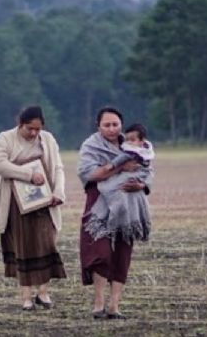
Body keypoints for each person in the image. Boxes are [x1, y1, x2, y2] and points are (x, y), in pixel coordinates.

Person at [0, 106, 67, 310]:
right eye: (29, 128)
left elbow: (58, 167)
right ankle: (25, 297)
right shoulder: (5, 138)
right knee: (23, 247)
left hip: (45, 202)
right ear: (20, 123)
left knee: (47, 244)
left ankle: (43, 292)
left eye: (37, 129)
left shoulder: (48, 139)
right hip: (17, 204)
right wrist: (28, 175)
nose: (33, 133)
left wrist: (59, 191)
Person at [78, 107, 152, 320]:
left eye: (115, 124)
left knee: (123, 250)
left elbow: (148, 169)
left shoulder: (132, 142)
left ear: (121, 124)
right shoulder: (90, 145)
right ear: (98, 126)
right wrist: (119, 168)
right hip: (99, 201)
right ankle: (98, 303)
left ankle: (114, 306)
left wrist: (141, 184)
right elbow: (89, 173)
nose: (112, 129)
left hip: (128, 203)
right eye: (107, 125)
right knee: (100, 250)